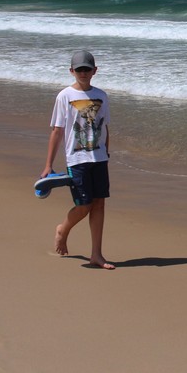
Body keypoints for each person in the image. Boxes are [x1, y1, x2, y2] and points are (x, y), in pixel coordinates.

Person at [41, 50, 114, 270]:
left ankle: (96, 255)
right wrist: (48, 165)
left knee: (99, 203)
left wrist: (106, 153)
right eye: (79, 69)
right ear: (72, 71)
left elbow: (106, 128)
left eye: (87, 69)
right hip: (77, 158)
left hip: (99, 157)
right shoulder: (65, 96)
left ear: (95, 71)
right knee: (84, 205)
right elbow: (57, 131)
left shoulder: (102, 96)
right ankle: (63, 229)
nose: (83, 73)